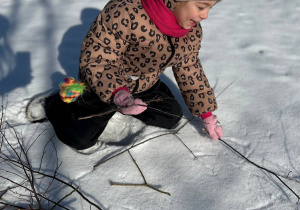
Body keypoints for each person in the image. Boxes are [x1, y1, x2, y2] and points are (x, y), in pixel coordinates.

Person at [41, 0, 223, 152]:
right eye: (201, 7)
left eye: (209, 8)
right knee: (80, 138)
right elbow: (98, 58)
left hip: (144, 84)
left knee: (171, 116)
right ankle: (55, 104)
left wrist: (205, 112)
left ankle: (128, 108)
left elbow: (189, 67)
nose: (205, 15)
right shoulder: (125, 12)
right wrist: (118, 93)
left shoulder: (191, 32)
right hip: (106, 83)